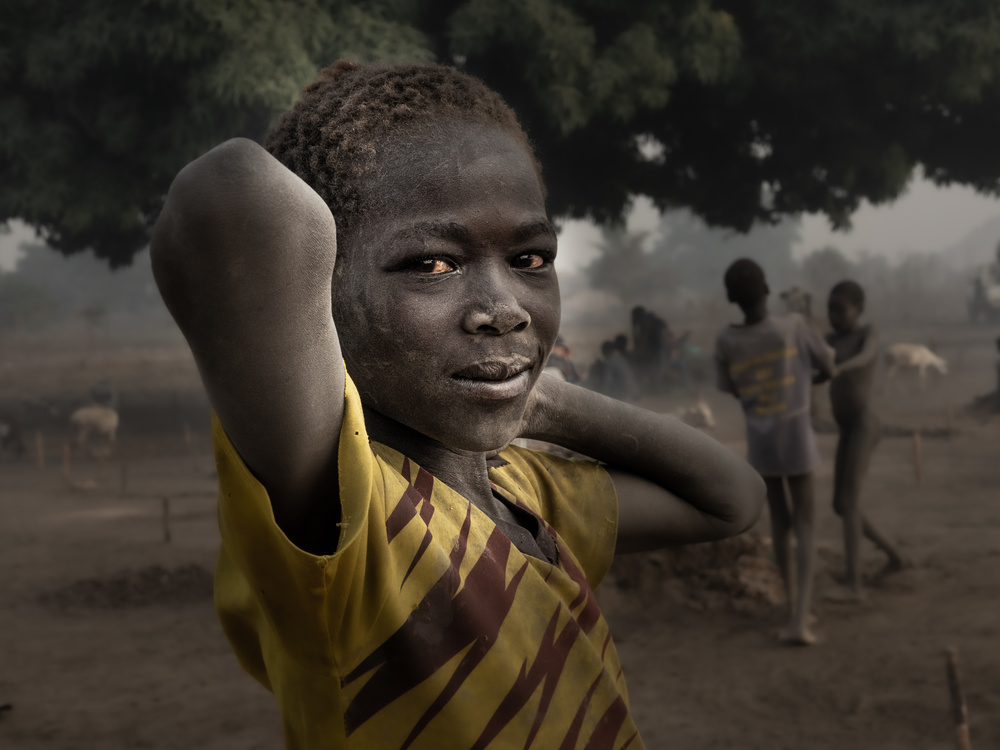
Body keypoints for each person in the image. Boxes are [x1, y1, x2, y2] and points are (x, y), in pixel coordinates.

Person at [151, 60, 765, 749]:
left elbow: (733, 498)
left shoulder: (526, 493)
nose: (502, 310)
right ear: (317, 291)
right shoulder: (347, 525)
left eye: (531, 258)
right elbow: (230, 191)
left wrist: (545, 404)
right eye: (432, 265)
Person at [714, 259, 835, 646]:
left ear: (732, 298)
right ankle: (801, 619)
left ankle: (792, 609)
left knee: (781, 525)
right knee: (807, 524)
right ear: (767, 289)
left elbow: (731, 387)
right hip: (796, 434)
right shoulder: (794, 328)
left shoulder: (726, 341)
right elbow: (828, 366)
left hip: (762, 441)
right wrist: (802, 381)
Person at [825, 281, 908, 601]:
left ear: (858, 310)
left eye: (840, 310)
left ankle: (854, 584)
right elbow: (813, 362)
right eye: (830, 309)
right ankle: (894, 555)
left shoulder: (866, 334)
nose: (834, 316)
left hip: (864, 424)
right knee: (840, 504)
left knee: (849, 502)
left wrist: (839, 367)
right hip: (847, 428)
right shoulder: (830, 341)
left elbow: (868, 356)